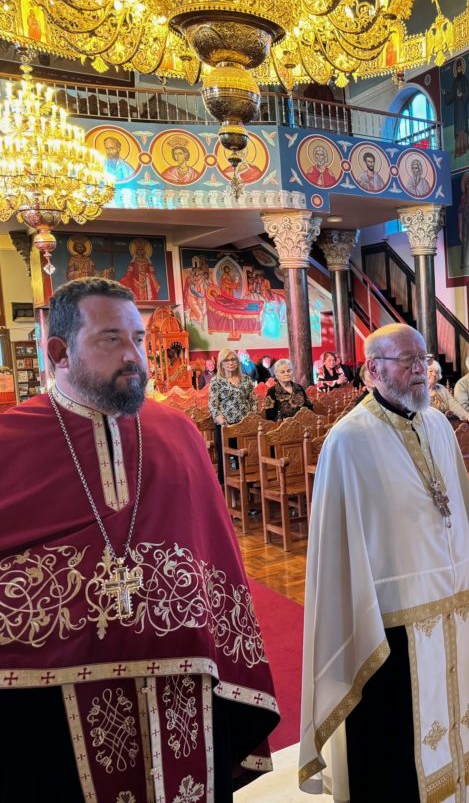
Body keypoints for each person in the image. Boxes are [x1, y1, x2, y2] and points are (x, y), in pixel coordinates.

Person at [0, 277, 278, 803]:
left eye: (139, 339)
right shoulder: (10, 443)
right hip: (50, 707)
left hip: (181, 688)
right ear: (59, 351)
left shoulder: (179, 434)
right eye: (111, 339)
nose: (134, 356)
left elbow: (213, 555)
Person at [299, 323, 469, 802]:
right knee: (399, 746)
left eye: (423, 360)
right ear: (373, 370)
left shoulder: (437, 424)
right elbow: (337, 552)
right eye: (407, 362)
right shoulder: (348, 442)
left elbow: (461, 512)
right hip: (392, 624)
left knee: (465, 726)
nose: (421, 372)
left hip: (456, 608)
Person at [208, 348, 258, 483]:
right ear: (221, 363)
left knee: (246, 458)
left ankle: (247, 488)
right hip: (226, 426)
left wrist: (252, 417)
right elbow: (213, 405)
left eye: (233, 359)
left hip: (246, 426)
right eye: (226, 360)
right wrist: (219, 418)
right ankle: (229, 493)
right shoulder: (216, 381)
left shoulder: (246, 379)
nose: (230, 363)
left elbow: (253, 400)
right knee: (229, 461)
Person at [445, 57, 469, 157]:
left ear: (462, 69)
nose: (459, 70)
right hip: (457, 109)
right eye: (457, 69)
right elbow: (452, 95)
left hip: (462, 108)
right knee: (458, 129)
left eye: (460, 68)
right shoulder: (455, 81)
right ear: (456, 70)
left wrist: (462, 95)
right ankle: (458, 150)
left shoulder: (464, 79)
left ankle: (464, 147)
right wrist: (446, 94)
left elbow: (468, 93)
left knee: (463, 127)